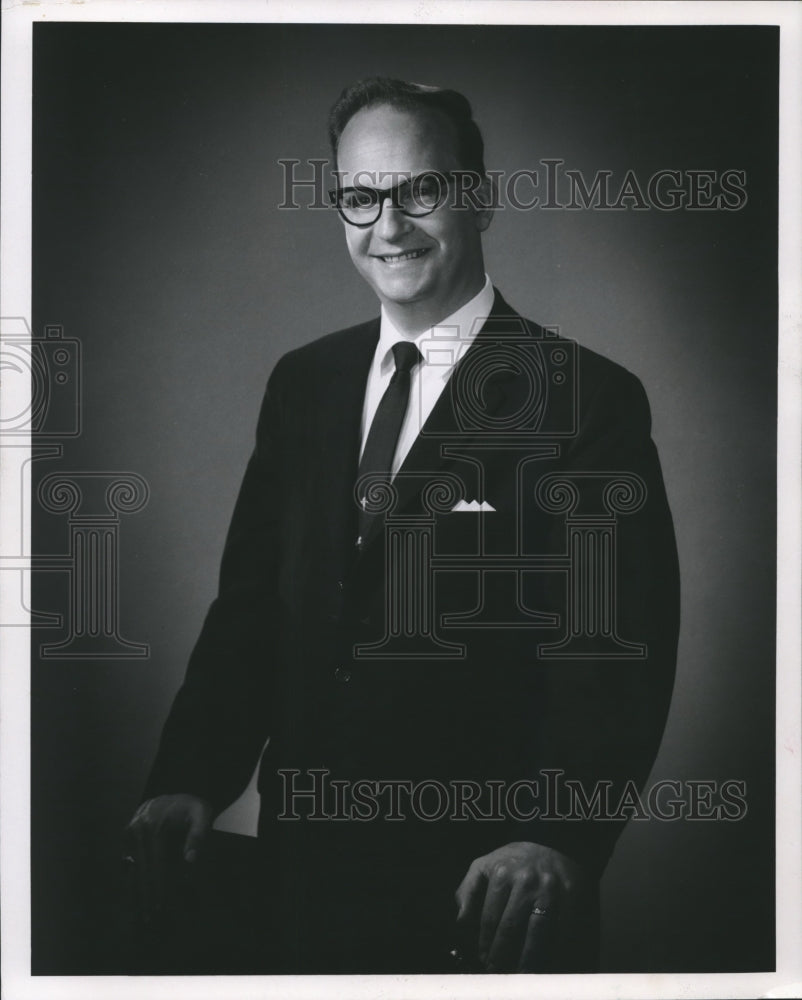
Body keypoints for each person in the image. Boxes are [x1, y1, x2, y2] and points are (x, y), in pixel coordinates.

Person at [124, 77, 680, 975]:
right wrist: (189, 777)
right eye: (360, 196)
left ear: (481, 199)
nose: (390, 224)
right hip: (296, 878)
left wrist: (555, 837)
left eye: (422, 190)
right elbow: (250, 611)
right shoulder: (302, 385)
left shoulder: (588, 399)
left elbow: (615, 653)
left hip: (486, 891)